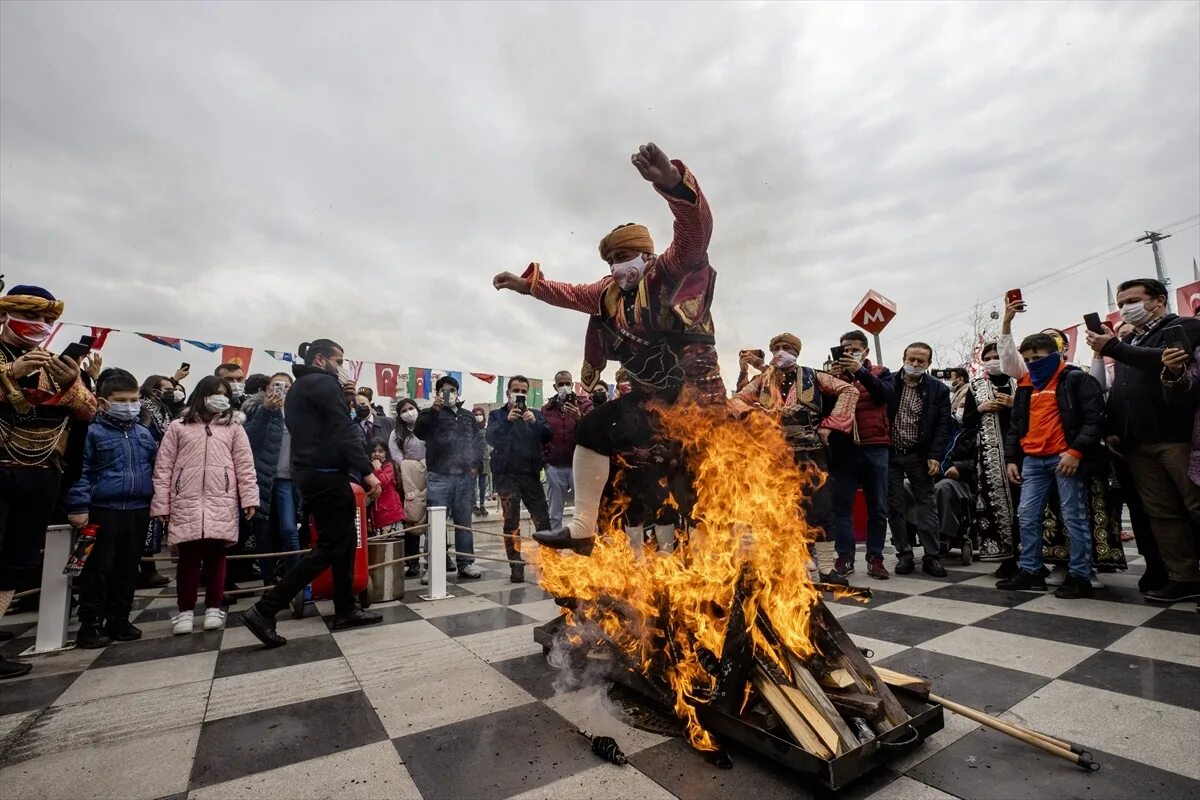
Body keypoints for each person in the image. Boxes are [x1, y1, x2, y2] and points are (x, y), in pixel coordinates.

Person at [493, 142, 725, 555]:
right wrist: (525, 285)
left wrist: (673, 183)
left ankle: (708, 556)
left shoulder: (670, 271)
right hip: (650, 398)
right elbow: (565, 292)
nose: (619, 265)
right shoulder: (608, 293)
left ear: (646, 254)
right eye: (613, 259)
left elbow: (695, 234)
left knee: (693, 472)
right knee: (592, 427)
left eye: (627, 256)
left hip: (696, 397)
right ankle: (582, 527)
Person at [242, 340, 383, 648]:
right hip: (326, 474)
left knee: (344, 543)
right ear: (321, 359)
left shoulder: (304, 386)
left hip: (312, 473)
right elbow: (341, 431)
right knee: (331, 546)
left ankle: (346, 608)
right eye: (339, 359)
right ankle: (265, 609)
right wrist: (366, 469)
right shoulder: (322, 383)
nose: (343, 366)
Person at [0, 284, 96, 679]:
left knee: (15, 562)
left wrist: (74, 384)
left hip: (42, 472)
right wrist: (9, 373)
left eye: (45, 319)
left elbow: (88, 411)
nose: (39, 325)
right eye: (31, 315)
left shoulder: (54, 362)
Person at [1087, 278, 1200, 602]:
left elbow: (1167, 358)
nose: (1125, 307)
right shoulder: (1132, 340)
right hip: (1137, 443)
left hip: (1177, 439)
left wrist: (1114, 347)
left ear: (1159, 299)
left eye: (1132, 300)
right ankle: (1184, 576)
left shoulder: (1184, 327)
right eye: (1121, 303)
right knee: (1162, 512)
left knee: (1196, 505)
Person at [733, 333, 858, 585]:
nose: (781, 351)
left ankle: (825, 569)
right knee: (782, 511)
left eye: (787, 347)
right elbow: (736, 401)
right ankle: (790, 566)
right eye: (777, 347)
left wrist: (830, 425)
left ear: (797, 352)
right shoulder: (761, 381)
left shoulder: (814, 376)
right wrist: (756, 413)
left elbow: (849, 389)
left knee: (821, 509)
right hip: (774, 456)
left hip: (811, 452)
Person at [998, 334, 1107, 598]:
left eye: (1038, 358)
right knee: (1026, 515)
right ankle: (1031, 571)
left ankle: (1080, 576)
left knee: (1073, 516)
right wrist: (1012, 459)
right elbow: (1016, 425)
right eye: (1027, 359)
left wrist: (1075, 451)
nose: (1032, 363)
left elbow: (1095, 419)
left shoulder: (1076, 379)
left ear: (1055, 354)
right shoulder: (1026, 384)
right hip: (1033, 460)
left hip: (1064, 457)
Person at [151, 376, 259, 634]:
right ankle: (185, 611)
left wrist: (249, 497)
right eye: (214, 393)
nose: (220, 398)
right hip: (185, 499)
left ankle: (214, 607)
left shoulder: (234, 428)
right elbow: (163, 468)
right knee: (187, 558)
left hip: (221, 498)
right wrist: (161, 504)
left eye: (224, 393)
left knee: (216, 556)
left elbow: (245, 466)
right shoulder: (178, 427)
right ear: (201, 395)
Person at [63, 372, 156, 648]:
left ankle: (119, 617)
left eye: (134, 399)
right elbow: (80, 472)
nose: (129, 405)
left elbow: (154, 467)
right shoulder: (91, 432)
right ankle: (90, 624)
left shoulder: (143, 432)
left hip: (138, 509)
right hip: (103, 509)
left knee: (128, 568)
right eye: (121, 400)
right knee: (98, 569)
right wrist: (79, 506)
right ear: (104, 402)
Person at [827, 330, 895, 580]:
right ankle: (844, 557)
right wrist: (831, 384)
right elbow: (825, 410)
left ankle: (875, 558)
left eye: (854, 348)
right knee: (841, 507)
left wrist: (860, 372)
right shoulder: (832, 376)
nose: (849, 352)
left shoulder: (880, 372)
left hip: (875, 445)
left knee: (877, 506)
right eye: (844, 348)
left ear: (865, 350)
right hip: (844, 449)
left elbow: (885, 397)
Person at [886, 342, 953, 577]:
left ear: (929, 364)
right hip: (891, 454)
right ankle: (904, 554)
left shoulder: (939, 390)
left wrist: (936, 455)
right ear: (903, 358)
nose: (915, 364)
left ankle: (931, 556)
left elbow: (943, 426)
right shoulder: (889, 382)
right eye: (911, 359)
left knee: (927, 505)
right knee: (894, 506)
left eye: (921, 361)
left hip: (920, 455)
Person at [414, 375, 485, 580]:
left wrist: (476, 466)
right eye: (444, 390)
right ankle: (433, 566)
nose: (449, 394)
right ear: (437, 393)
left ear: (457, 392)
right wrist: (435, 410)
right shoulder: (428, 413)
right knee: (436, 523)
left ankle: (466, 563)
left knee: (464, 522)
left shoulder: (467, 415)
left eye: (452, 390)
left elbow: (476, 442)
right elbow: (420, 432)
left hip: (463, 477)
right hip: (439, 476)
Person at [959, 342, 1019, 569]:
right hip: (989, 455)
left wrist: (1013, 405)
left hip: (1020, 453)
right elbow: (966, 421)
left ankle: (1029, 557)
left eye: (997, 356)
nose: (993, 360)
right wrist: (981, 409)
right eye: (988, 357)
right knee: (995, 506)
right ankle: (1005, 558)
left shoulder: (1020, 382)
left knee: (1022, 505)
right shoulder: (975, 386)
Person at [489, 376, 553, 583]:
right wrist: (507, 422)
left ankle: (549, 564)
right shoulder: (497, 415)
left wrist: (535, 424)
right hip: (506, 475)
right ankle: (516, 565)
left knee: (542, 520)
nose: (520, 394)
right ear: (508, 392)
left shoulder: (534, 414)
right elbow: (491, 437)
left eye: (524, 391)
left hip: (531, 475)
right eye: (516, 389)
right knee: (511, 522)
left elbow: (548, 435)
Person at [242, 372, 300, 586]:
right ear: (268, 389)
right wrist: (266, 410)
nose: (281, 390)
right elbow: (249, 440)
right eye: (276, 385)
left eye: (286, 386)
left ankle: (294, 580)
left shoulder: (297, 413)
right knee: (263, 534)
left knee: (290, 530)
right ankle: (268, 581)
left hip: (289, 480)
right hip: (262, 479)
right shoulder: (256, 409)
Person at [542, 370, 593, 530]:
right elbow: (541, 436)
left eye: (567, 383)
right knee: (555, 513)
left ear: (573, 384)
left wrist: (579, 417)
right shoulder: (547, 409)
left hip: (579, 466)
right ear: (555, 386)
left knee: (584, 512)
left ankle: (584, 545)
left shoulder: (585, 405)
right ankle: (554, 550)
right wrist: (546, 463)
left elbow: (594, 431)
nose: (564, 386)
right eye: (561, 384)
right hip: (555, 466)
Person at [390, 398, 427, 577]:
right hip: (408, 479)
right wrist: (412, 466)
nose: (408, 412)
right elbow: (397, 456)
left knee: (434, 515)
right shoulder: (396, 434)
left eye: (411, 408)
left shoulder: (427, 426)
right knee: (412, 516)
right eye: (404, 410)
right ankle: (412, 561)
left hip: (430, 475)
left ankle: (440, 556)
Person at [368, 439, 406, 535]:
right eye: (374, 451)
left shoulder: (388, 466)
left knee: (393, 546)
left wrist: (377, 469)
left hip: (391, 515)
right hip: (378, 516)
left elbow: (383, 482)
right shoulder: (369, 467)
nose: (377, 454)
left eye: (380, 451)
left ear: (386, 453)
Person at [472, 407, 491, 517]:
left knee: (483, 484)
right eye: (476, 414)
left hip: (485, 460)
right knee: (473, 484)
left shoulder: (486, 430)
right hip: (473, 460)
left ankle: (483, 504)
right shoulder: (471, 430)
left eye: (480, 414)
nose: (478, 416)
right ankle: (474, 505)